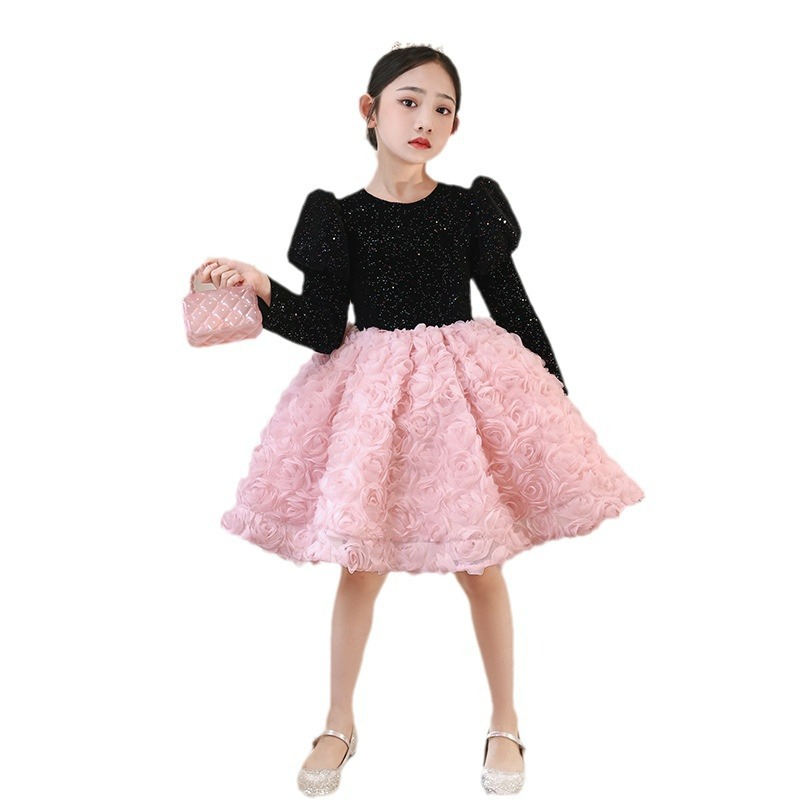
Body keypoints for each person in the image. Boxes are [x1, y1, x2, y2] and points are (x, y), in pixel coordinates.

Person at [197, 43, 644, 796]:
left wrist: (555, 403)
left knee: (481, 566)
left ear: (455, 125)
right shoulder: (337, 216)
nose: (425, 119)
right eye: (408, 101)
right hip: (373, 403)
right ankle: (339, 721)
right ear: (369, 111)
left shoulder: (470, 208)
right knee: (360, 567)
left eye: (442, 108)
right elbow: (321, 326)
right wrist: (261, 285)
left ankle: (505, 721)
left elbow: (514, 308)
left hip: (458, 402)